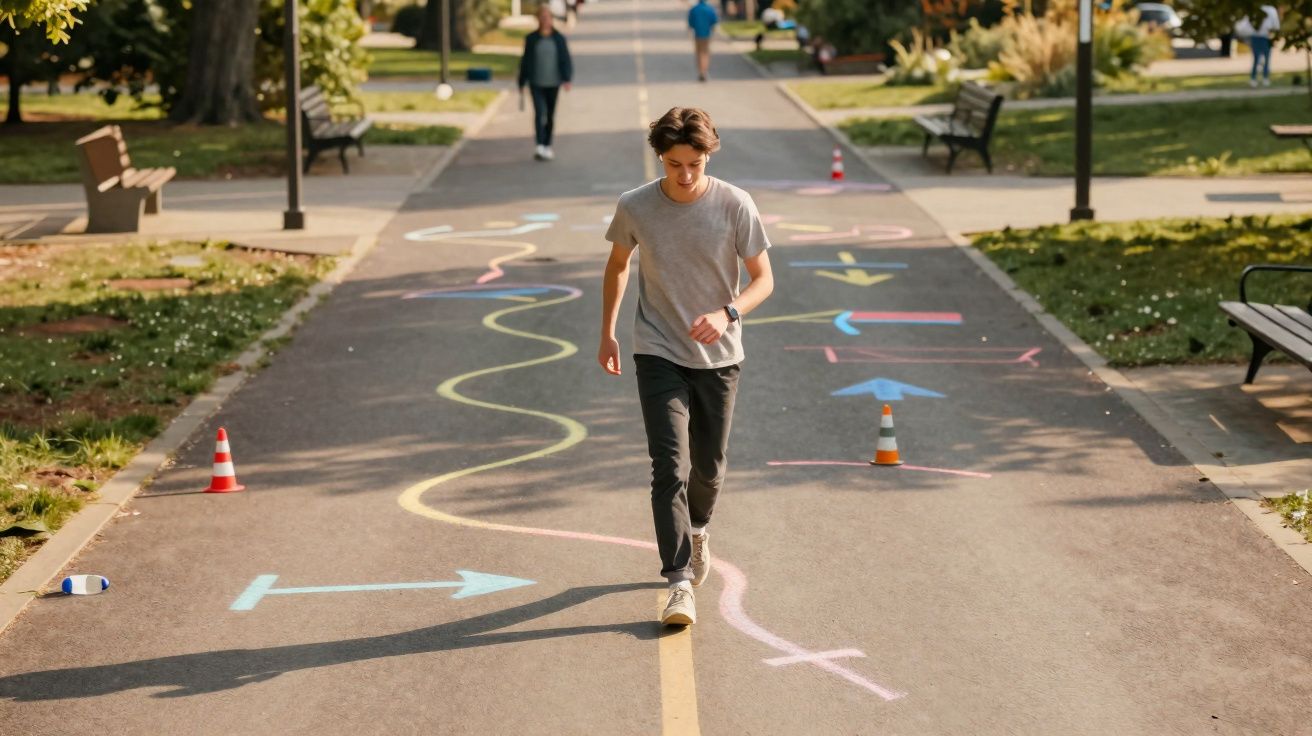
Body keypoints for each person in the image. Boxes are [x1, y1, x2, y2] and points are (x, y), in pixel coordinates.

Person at [598, 107, 775, 626]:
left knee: (709, 468)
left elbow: (764, 279)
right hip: (656, 348)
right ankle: (677, 582)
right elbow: (617, 264)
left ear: (707, 156)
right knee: (668, 467)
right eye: (675, 164)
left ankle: (699, 530)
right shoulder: (637, 206)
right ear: (661, 157)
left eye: (694, 163)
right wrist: (607, 332)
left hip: (720, 356)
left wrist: (729, 313)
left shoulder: (735, 204)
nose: (685, 174)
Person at [518, 4, 573, 161]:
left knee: (549, 115)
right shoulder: (531, 39)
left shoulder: (559, 39)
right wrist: (521, 82)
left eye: (547, 17)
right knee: (539, 113)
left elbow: (565, 60)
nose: (545, 20)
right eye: (542, 17)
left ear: (551, 19)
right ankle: (539, 145)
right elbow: (525, 61)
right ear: (538, 19)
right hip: (536, 82)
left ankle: (547, 145)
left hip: (553, 83)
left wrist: (567, 79)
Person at [688, 0, 718, 82]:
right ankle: (705, 71)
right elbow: (714, 22)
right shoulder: (710, 9)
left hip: (697, 35)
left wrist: (689, 34)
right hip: (707, 35)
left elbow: (690, 23)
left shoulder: (694, 9)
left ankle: (700, 72)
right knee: (706, 53)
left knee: (699, 53)